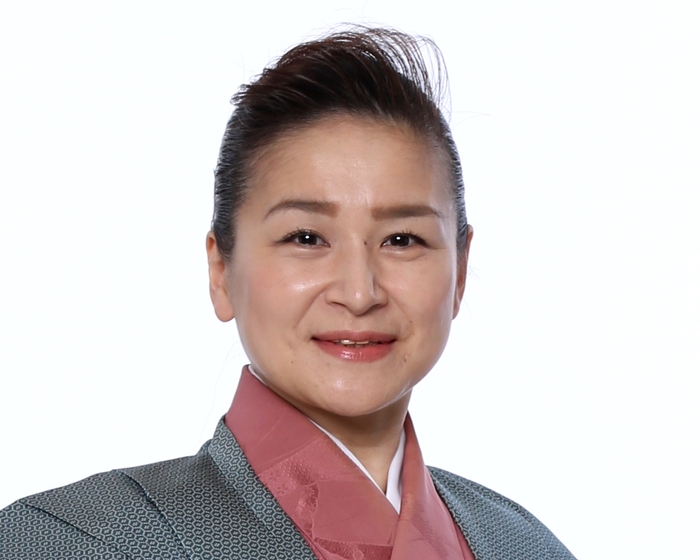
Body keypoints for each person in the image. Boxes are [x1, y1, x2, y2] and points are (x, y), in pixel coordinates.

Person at [0, 27, 576, 559]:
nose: (359, 293)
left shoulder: (527, 547)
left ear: (460, 271)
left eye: (402, 239)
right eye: (306, 238)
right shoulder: (66, 540)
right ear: (221, 270)